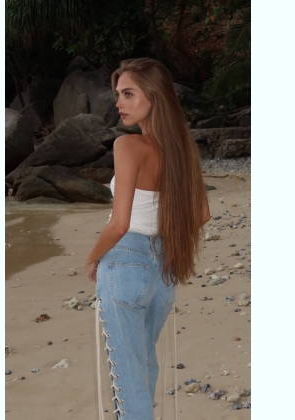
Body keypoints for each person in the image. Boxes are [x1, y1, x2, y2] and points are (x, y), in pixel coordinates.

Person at [85, 58, 211, 420]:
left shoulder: (128, 146)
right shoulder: (182, 149)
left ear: (154, 97)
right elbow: (202, 214)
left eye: (128, 94)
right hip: (162, 267)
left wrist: (92, 258)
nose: (119, 103)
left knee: (128, 378)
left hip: (124, 262)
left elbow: (119, 224)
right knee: (143, 364)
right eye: (118, 94)